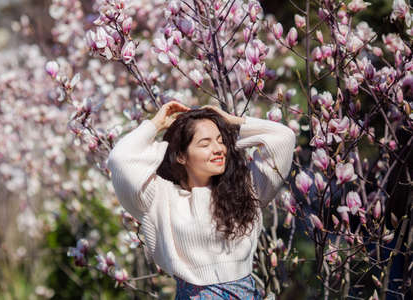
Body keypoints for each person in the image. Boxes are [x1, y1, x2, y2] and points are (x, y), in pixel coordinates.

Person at [107, 101, 295, 299]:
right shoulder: (161, 197)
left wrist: (232, 122)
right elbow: (120, 160)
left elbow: (284, 138)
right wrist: (155, 124)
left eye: (221, 140)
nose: (218, 149)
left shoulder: (245, 188)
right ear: (181, 156)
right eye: (205, 144)